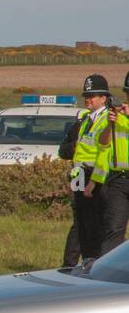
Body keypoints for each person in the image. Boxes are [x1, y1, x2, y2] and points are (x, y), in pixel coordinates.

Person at [59, 75, 110, 268]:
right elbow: (72, 151)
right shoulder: (85, 119)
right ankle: (73, 263)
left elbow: (103, 152)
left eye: (93, 95)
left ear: (103, 98)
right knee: (79, 220)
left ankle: (93, 260)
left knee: (95, 220)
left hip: (96, 175)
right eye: (86, 95)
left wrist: (95, 179)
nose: (87, 99)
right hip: (79, 174)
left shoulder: (107, 119)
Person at [94, 71, 129, 255]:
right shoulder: (118, 115)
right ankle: (105, 272)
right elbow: (103, 143)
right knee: (114, 229)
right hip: (119, 180)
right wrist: (110, 124)